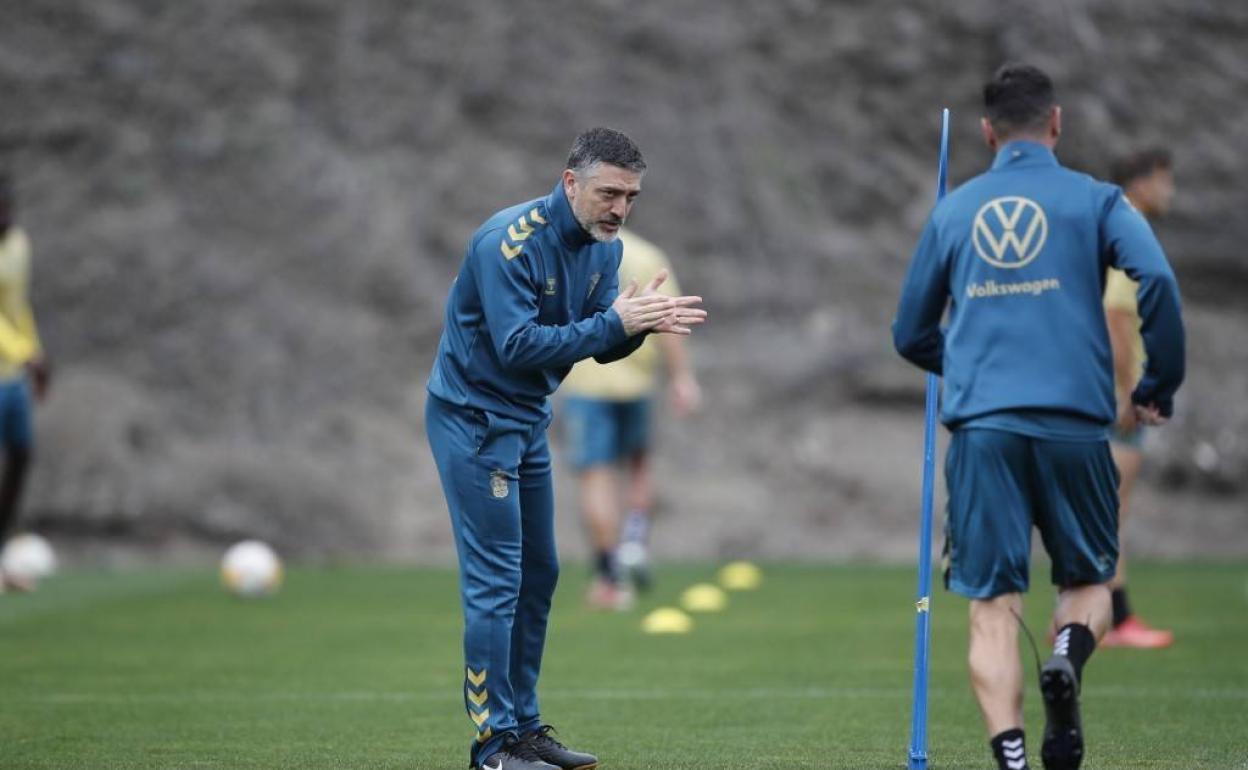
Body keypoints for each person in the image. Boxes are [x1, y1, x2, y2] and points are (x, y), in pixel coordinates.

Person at [893, 64, 1184, 770]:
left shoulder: (954, 210)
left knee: (993, 606)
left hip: (984, 431)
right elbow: (1158, 281)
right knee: (1088, 586)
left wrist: (967, 372)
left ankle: (1013, 759)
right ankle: (1066, 656)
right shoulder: (1100, 200)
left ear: (989, 133)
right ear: (1056, 124)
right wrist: (1158, 382)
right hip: (1075, 425)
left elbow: (909, 333)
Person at [425, 128, 706, 770]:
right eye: (609, 192)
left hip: (525, 418)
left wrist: (634, 327)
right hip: (474, 420)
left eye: (631, 197)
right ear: (570, 182)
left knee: (541, 573)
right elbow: (517, 345)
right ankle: (493, 747)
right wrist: (613, 324)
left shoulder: (604, 251)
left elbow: (592, 341)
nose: (620, 209)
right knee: (496, 581)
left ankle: (525, 729)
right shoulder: (509, 242)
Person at [559, 228, 702, 610]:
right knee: (638, 464)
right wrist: (682, 378)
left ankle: (609, 577)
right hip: (636, 381)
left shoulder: (574, 253)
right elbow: (670, 319)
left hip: (587, 381)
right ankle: (634, 543)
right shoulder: (646, 254)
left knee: (596, 475)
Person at [1101, 148, 1176, 649]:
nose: (1170, 192)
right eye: (1166, 181)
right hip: (1119, 398)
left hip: (1117, 393)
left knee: (1108, 511)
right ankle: (1106, 619)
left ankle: (1095, 617)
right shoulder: (1129, 232)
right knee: (1109, 512)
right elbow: (1117, 313)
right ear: (1142, 182)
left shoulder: (1117, 228)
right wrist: (1129, 390)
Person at [0, 173, 51, 593]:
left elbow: (15, 305)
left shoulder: (18, 244)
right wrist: (25, 353)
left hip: (11, 379)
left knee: (20, 459)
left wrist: (36, 351)